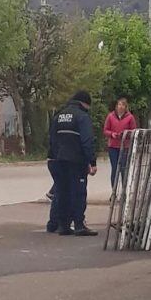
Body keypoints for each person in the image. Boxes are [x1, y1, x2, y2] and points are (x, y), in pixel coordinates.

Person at [48, 90, 98, 236]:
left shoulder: (59, 115)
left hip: (57, 160)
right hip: (76, 160)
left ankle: (63, 225)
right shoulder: (82, 116)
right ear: (85, 103)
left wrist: (52, 156)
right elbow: (87, 141)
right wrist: (92, 161)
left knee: (62, 192)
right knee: (78, 192)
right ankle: (79, 224)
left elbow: (51, 138)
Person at [103, 97, 137, 188]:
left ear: (126, 107)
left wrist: (126, 134)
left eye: (123, 105)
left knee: (123, 169)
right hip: (113, 146)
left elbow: (134, 131)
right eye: (119, 105)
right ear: (116, 106)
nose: (121, 107)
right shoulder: (110, 116)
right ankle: (113, 191)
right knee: (114, 169)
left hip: (125, 146)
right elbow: (105, 130)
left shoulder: (130, 117)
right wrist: (112, 134)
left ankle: (124, 191)